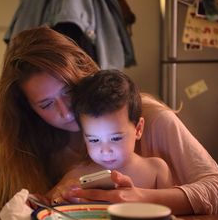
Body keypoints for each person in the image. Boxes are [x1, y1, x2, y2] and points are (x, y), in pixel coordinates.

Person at [0, 26, 218, 215]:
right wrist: (45, 201)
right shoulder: (43, 147)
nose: (66, 111)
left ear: (84, 73)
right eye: (47, 104)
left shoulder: (151, 117)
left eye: (69, 91)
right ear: (29, 110)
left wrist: (144, 198)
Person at [48, 69, 173, 202]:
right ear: (84, 137)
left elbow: (171, 215)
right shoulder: (76, 176)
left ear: (138, 129)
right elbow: (45, 202)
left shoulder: (156, 170)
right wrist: (61, 197)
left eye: (115, 138)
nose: (105, 150)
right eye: (94, 140)